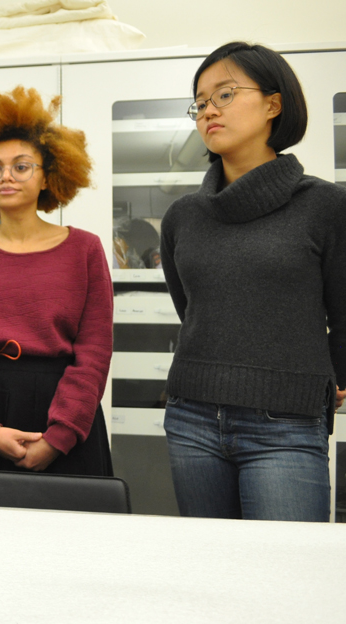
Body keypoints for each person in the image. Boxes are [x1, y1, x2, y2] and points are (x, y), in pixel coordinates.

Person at [160, 42, 346, 522]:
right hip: (191, 417)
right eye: (200, 102)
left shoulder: (325, 205)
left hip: (286, 423)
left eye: (224, 94)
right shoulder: (183, 216)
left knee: (284, 578)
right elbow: (194, 309)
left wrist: (335, 378)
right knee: (210, 578)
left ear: (273, 103)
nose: (208, 111)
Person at [0, 86, 113, 477]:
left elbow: (95, 352)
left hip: (65, 411)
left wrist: (61, 435)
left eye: (21, 166)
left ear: (48, 174)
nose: (6, 177)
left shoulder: (85, 249)